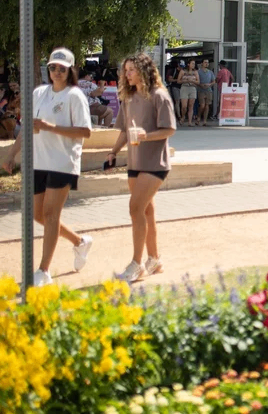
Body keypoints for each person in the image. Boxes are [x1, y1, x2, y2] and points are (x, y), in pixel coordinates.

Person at [2, 48, 95, 286]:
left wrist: (50, 127)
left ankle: (43, 271)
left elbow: (85, 131)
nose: (56, 72)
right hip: (38, 162)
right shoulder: (39, 93)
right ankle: (79, 242)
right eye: (53, 67)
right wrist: (12, 154)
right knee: (39, 215)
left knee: (52, 214)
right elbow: (28, 128)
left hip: (63, 162)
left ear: (70, 70)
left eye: (62, 68)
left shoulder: (75, 96)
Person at [107, 53, 177, 284]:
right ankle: (154, 259)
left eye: (131, 70)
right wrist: (113, 152)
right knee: (146, 211)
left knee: (135, 208)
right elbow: (125, 131)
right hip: (135, 163)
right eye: (125, 71)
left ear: (144, 71)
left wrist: (147, 136)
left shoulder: (159, 95)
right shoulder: (127, 97)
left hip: (156, 163)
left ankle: (136, 264)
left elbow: (169, 130)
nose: (126, 75)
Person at [178, 59, 200, 127]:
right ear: (188, 64)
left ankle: (190, 122)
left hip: (192, 88)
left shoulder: (195, 72)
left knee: (191, 105)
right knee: (184, 106)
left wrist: (192, 81)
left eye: (194, 64)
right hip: (184, 87)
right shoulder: (182, 71)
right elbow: (178, 81)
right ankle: (183, 116)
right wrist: (185, 80)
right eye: (192, 63)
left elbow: (198, 82)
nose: (193, 65)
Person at [196, 59, 216, 126]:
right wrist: (200, 85)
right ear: (202, 63)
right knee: (202, 105)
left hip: (208, 90)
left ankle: (205, 120)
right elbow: (196, 81)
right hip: (201, 90)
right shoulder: (198, 72)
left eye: (207, 62)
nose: (206, 64)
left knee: (207, 105)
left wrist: (210, 84)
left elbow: (214, 81)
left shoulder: (210, 72)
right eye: (205, 62)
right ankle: (198, 117)